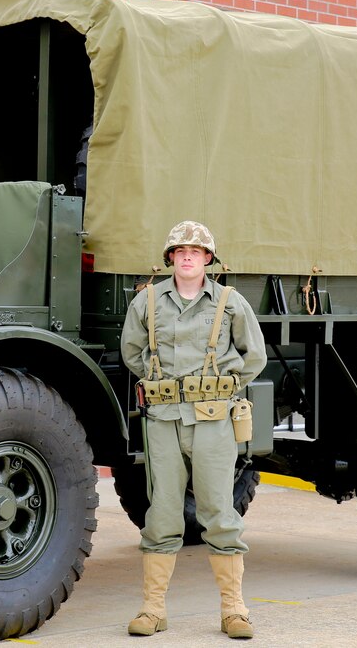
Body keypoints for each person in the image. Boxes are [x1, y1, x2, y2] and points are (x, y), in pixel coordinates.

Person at [120, 220, 267, 639]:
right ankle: (152, 610)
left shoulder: (230, 303)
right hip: (164, 421)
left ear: (207, 259)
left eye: (196, 251)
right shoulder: (146, 302)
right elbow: (132, 351)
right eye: (180, 250)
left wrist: (223, 388)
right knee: (163, 513)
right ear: (170, 258)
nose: (187, 256)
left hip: (213, 422)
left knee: (219, 512)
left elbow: (252, 356)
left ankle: (234, 610)